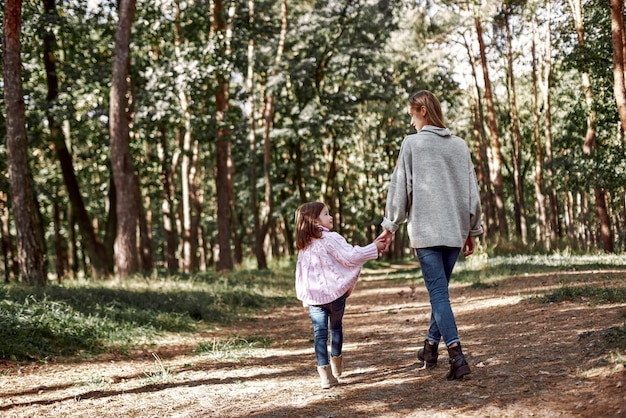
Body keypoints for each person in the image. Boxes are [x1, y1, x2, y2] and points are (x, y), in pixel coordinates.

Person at [377, 90, 483, 381]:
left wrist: (389, 227)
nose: (410, 120)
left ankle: (457, 356)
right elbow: (471, 191)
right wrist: (472, 229)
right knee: (441, 295)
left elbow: (400, 189)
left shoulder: (412, 144)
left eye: (412, 113)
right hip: (454, 231)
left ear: (422, 110)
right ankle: (429, 348)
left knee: (438, 294)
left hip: (426, 232)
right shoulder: (460, 146)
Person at [295, 201, 386, 389]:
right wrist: (373, 247)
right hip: (335, 296)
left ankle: (325, 376)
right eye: (326, 214)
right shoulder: (331, 238)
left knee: (320, 334)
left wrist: (305, 296)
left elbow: (300, 274)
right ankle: (336, 365)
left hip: (314, 300)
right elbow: (351, 256)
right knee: (335, 327)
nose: (331, 217)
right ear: (314, 220)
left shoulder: (303, 246)